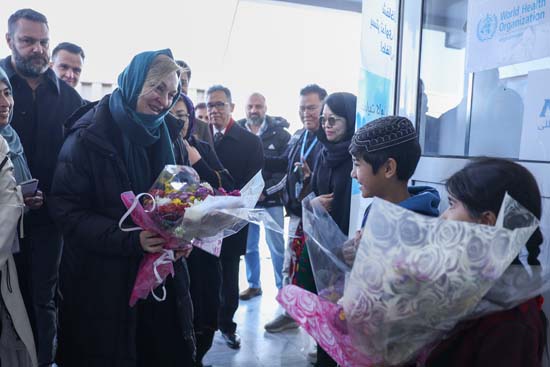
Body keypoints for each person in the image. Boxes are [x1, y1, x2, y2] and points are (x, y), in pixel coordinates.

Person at [49, 49, 195, 366]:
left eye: (172, 93)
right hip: (101, 287)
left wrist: (185, 236)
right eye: (157, 88)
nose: (164, 100)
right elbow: (66, 211)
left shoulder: (171, 136)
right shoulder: (89, 136)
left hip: (161, 281)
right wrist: (130, 239)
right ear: (135, 81)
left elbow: (180, 201)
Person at [1, 9, 84, 366]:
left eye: (44, 42)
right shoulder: (1, 87)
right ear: (9, 41)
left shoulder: (70, 100)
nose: (38, 49)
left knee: (43, 300)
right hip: (2, 223)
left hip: (50, 223)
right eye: (28, 41)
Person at [420, 157, 546, 366]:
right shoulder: (472, 284)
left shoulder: (510, 321)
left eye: (452, 205)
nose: (442, 218)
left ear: (486, 223)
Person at [171, 92, 234, 366]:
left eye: (183, 117)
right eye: (171, 116)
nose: (177, 122)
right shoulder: (151, 149)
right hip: (168, 256)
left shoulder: (202, 148)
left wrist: (197, 160)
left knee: (206, 316)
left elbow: (228, 186)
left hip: (204, 252)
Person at [263, 84, 326, 333]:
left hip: (320, 218)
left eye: (312, 107)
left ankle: (320, 333)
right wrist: (252, 154)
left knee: (316, 275)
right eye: (302, 108)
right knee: (290, 265)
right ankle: (291, 312)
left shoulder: (329, 137)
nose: (306, 113)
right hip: (297, 213)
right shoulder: (300, 135)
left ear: (324, 107)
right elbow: (283, 163)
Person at [206, 85, 263, 349]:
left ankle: (227, 326)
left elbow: (254, 185)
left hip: (233, 222)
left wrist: (233, 207)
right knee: (204, 276)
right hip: (203, 222)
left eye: (219, 104)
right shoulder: (199, 135)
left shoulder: (250, 142)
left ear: (231, 107)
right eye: (210, 105)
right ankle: (203, 326)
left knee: (229, 277)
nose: (214, 110)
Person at [342, 115, 441, 266]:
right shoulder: (375, 209)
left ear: (388, 168)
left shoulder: (417, 226)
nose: (352, 173)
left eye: (357, 164)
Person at [0, 66, 37, 367]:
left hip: (16, 248)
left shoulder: (12, 137)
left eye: (7, 92)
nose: (4, 102)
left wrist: (29, 200)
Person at [237, 92, 290, 299]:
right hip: (246, 202)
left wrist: (264, 190)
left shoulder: (281, 134)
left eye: (258, 106)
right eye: (250, 106)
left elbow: (285, 170)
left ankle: (282, 290)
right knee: (248, 247)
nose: (254, 110)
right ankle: (254, 285)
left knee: (276, 248)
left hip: (271, 200)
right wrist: (248, 193)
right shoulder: (238, 132)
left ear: (265, 108)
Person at [175, 60, 213, 146]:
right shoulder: (155, 122)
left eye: (182, 83)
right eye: (174, 82)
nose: (178, 87)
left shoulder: (202, 127)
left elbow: (210, 158)